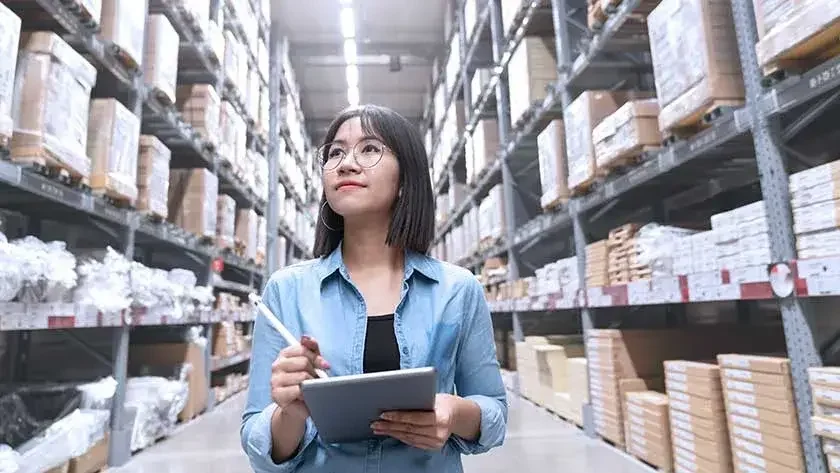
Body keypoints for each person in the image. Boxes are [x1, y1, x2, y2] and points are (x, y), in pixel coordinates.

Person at [240, 104, 507, 472]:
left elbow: (494, 411)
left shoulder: (457, 290)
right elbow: (257, 441)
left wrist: (454, 413)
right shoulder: (286, 291)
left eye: (370, 149)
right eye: (335, 152)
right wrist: (291, 413)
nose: (347, 163)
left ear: (405, 179)